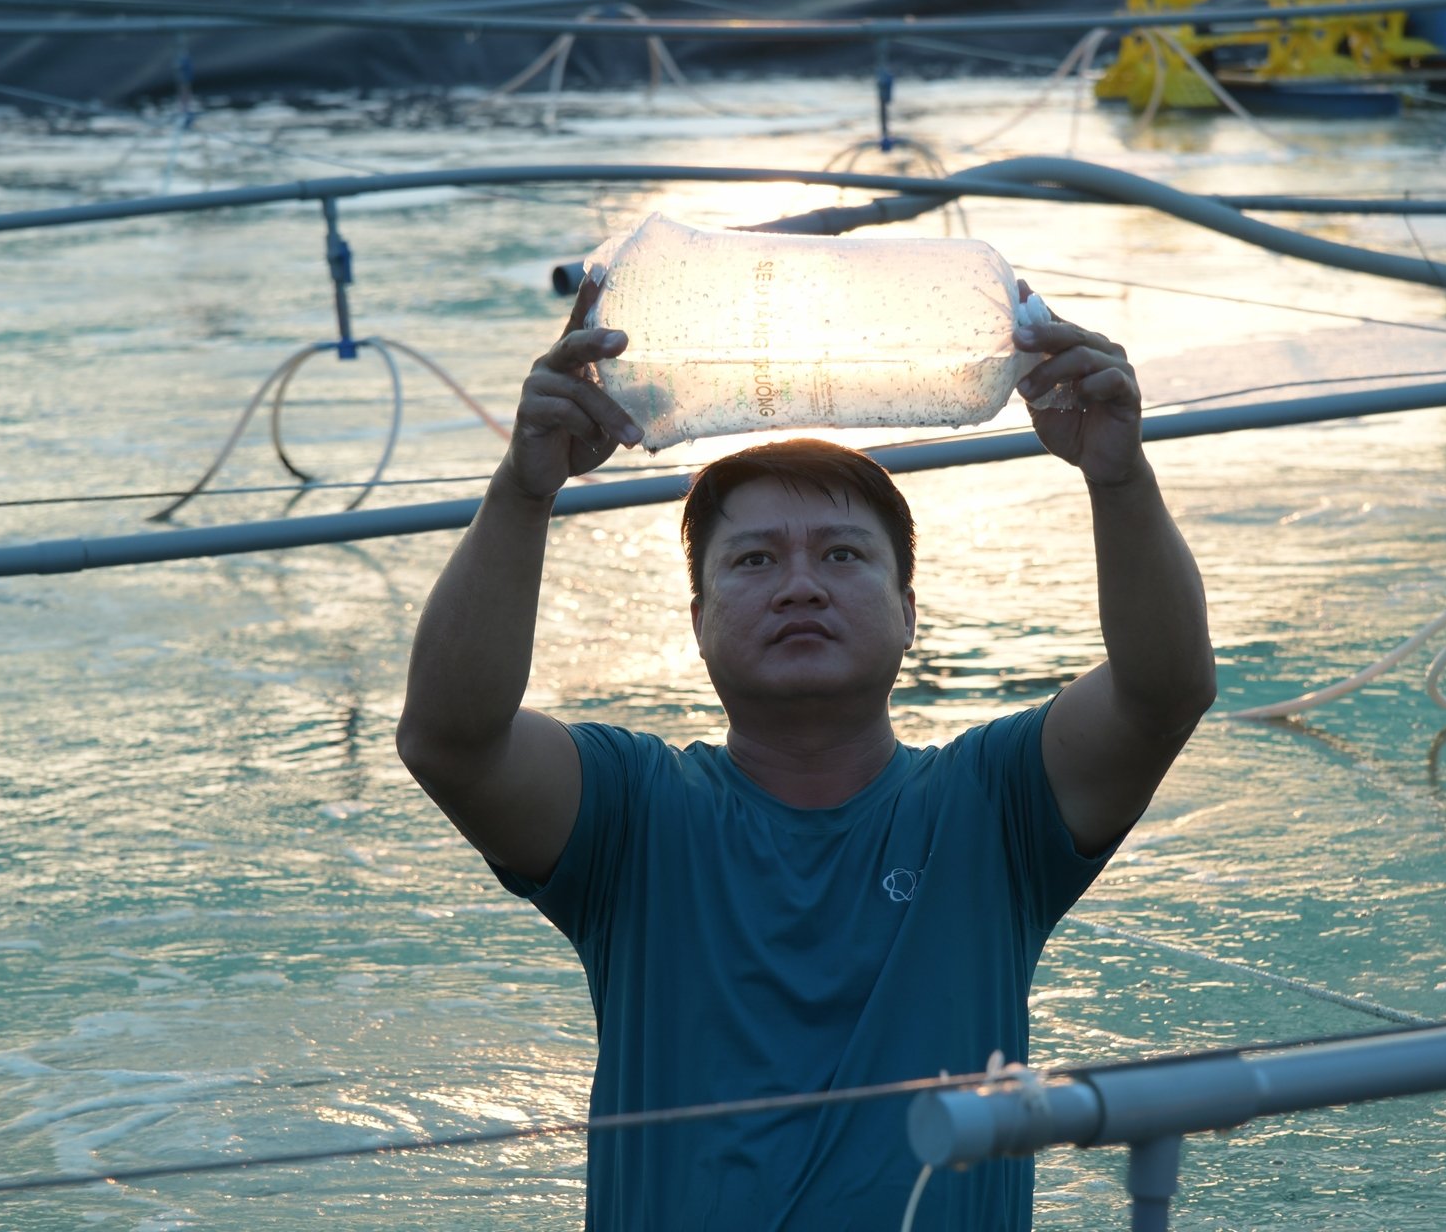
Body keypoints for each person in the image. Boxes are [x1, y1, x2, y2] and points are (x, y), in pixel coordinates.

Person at [396, 277, 1215, 1231]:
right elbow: (449, 740)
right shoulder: (631, 812)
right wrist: (524, 488)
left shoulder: (994, 807)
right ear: (697, 624)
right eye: (753, 560)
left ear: (911, 613)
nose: (800, 586)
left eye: (842, 555)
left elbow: (1164, 690)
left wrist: (1119, 477)